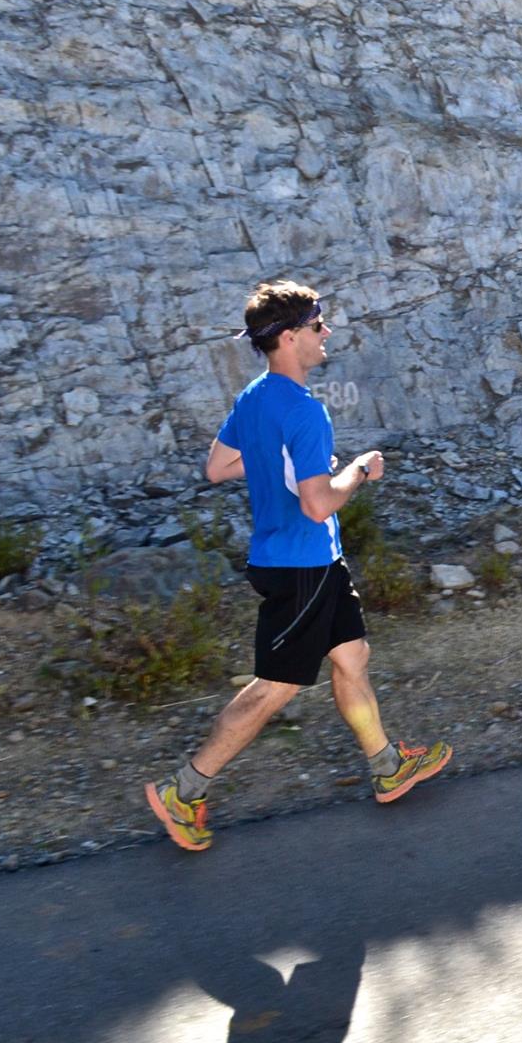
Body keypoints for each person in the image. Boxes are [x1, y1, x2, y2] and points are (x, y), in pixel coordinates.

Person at [144, 282, 452, 851]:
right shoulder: (306, 411)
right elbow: (317, 505)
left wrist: (281, 464)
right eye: (317, 325)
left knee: (352, 656)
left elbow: (218, 467)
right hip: (300, 564)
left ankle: (387, 766)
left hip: (311, 562)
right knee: (275, 687)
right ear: (289, 337)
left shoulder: (254, 396)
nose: (326, 332)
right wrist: (358, 470)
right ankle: (183, 791)